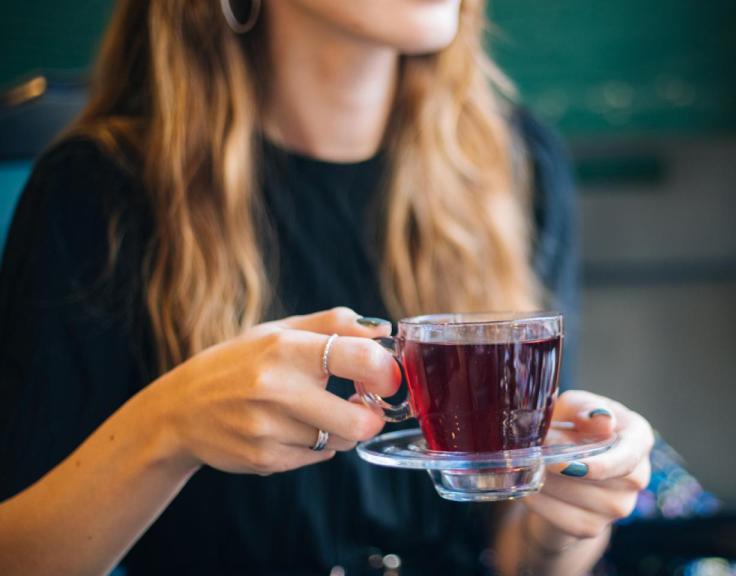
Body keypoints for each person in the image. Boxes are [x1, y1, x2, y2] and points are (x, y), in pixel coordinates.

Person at [0, 1, 654, 574]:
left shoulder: (519, 167)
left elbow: (521, 555)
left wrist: (568, 522)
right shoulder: (98, 192)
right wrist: (170, 427)